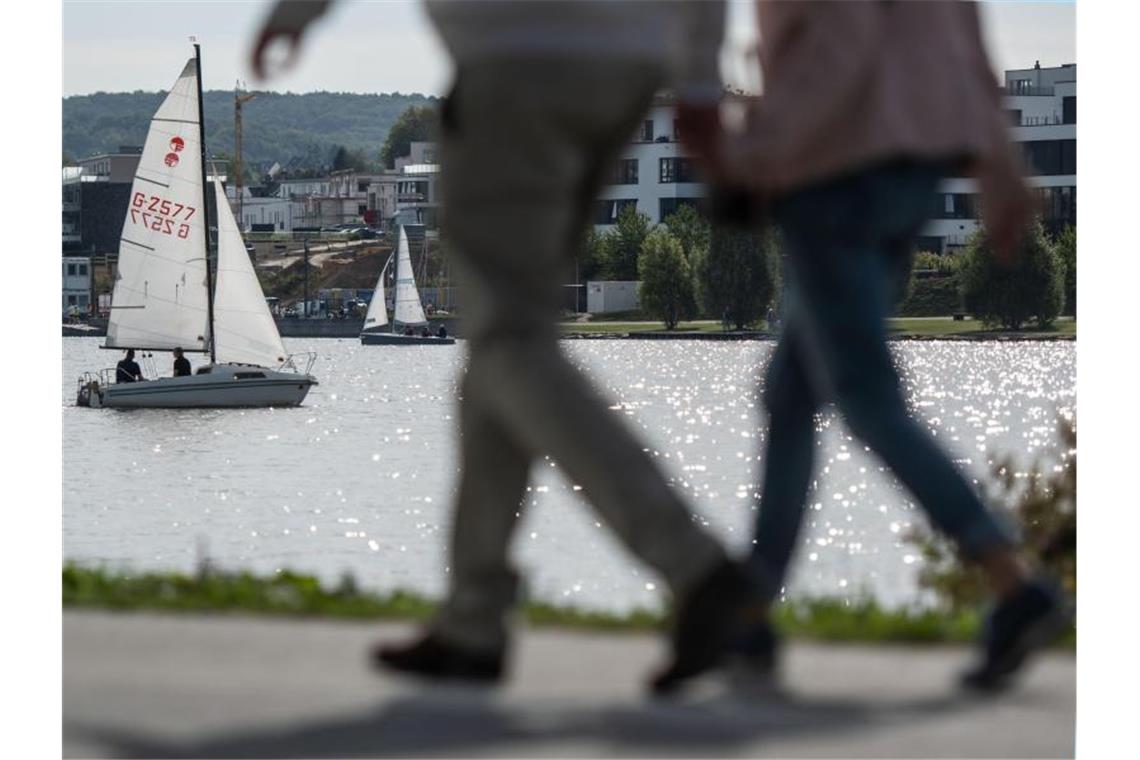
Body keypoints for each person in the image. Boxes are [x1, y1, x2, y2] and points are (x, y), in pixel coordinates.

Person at [253, 0, 758, 695]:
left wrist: (296, 13)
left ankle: (696, 567)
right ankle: (473, 621)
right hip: (630, 70)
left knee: (509, 342)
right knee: (502, 345)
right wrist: (699, 82)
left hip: (518, 60)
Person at [686, 0, 1067, 691]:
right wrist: (998, 164)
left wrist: (751, 152)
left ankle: (1014, 584)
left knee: (867, 399)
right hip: (912, 167)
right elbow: (964, 42)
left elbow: (841, 41)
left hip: (836, 173)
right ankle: (750, 613)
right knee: (791, 394)